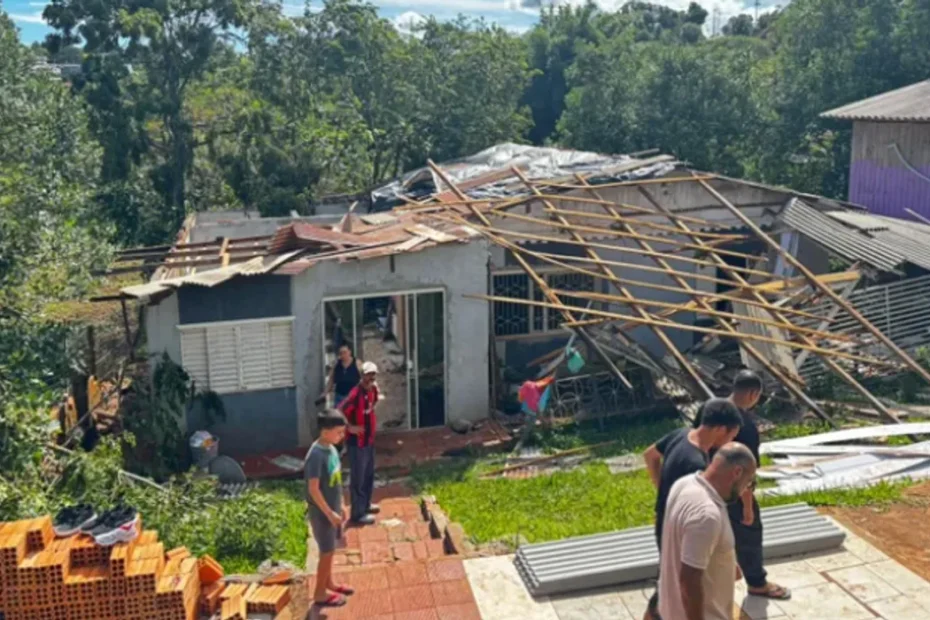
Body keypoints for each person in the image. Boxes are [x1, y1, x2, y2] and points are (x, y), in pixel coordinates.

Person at [642, 397, 744, 620]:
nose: (729, 443)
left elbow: (650, 456)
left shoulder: (681, 434)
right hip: (682, 528)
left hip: (667, 519)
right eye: (730, 436)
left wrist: (663, 492)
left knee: (666, 584)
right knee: (675, 589)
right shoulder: (695, 464)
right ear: (718, 429)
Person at [658, 442, 758, 620]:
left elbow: (687, 540)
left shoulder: (684, 484)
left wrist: (726, 561)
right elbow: (689, 581)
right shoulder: (707, 515)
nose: (746, 489)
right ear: (737, 473)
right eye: (749, 483)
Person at [720, 370, 791, 601]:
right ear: (753, 393)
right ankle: (757, 583)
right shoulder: (745, 426)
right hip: (732, 492)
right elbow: (745, 473)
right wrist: (748, 507)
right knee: (749, 532)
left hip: (705, 488)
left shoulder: (711, 410)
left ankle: (727, 573)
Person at [305, 409, 354, 608]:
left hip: (332, 510)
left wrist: (341, 504)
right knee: (326, 552)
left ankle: (329, 583)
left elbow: (336, 479)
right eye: (338, 432)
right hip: (322, 513)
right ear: (325, 431)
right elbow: (313, 489)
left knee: (331, 550)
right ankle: (319, 594)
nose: (341, 436)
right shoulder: (315, 455)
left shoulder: (332, 449)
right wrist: (329, 513)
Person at [342, 361, 381, 525]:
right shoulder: (355, 394)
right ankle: (357, 514)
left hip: (369, 440)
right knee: (358, 478)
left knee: (368, 475)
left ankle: (365, 505)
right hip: (357, 443)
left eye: (373, 375)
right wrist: (349, 427)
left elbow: (374, 403)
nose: (370, 378)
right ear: (362, 376)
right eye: (367, 375)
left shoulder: (373, 390)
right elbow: (340, 411)